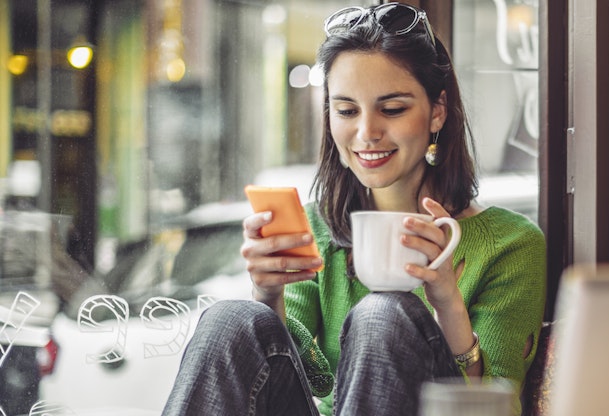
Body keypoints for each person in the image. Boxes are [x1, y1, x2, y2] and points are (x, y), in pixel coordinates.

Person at [162, 3, 546, 416]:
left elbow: (494, 407)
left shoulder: (511, 245)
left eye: (393, 109)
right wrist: (268, 295)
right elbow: (313, 379)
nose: (367, 134)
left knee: (383, 314)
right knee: (231, 318)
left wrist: (447, 302)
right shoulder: (317, 227)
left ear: (437, 111)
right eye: (346, 111)